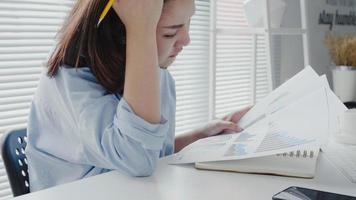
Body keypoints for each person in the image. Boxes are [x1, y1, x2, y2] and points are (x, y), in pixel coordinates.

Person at [25, 0, 250, 192]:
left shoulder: (156, 75)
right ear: (123, 33)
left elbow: (148, 154)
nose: (186, 40)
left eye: (188, 23)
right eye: (171, 32)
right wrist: (140, 28)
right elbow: (136, 159)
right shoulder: (71, 83)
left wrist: (199, 136)